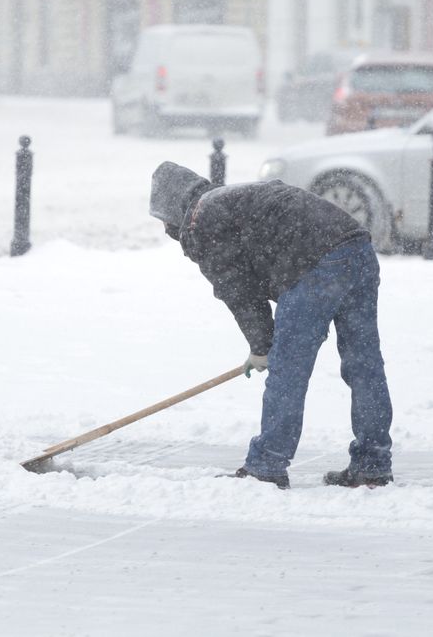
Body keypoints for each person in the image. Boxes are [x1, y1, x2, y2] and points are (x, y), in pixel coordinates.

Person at [149, 162, 394, 490]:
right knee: (364, 364)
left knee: (288, 369)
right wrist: (262, 344)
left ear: (171, 209)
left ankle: (268, 463)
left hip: (315, 263)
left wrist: (263, 347)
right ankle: (372, 463)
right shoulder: (230, 200)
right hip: (358, 249)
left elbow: (239, 291)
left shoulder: (201, 220)